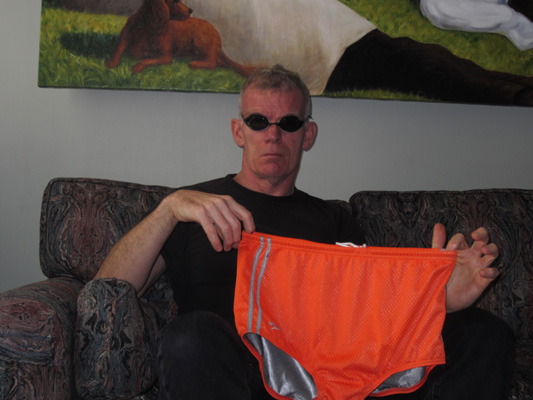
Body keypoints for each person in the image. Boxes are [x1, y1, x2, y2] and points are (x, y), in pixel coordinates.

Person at [95, 65, 514, 399]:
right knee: (189, 335)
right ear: (239, 132)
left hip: (324, 370)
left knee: (483, 331)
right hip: (232, 368)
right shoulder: (194, 208)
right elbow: (108, 289)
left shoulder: (333, 220)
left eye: (289, 122)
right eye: (258, 121)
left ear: (307, 135)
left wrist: (439, 301)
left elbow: (370, 319)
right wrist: (168, 209)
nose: (273, 134)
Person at [184, 0, 533, 106]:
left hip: (323, 30)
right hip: (315, 47)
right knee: (415, 63)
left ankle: (515, 88)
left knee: (415, 59)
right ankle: (516, 92)